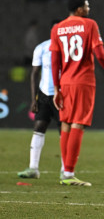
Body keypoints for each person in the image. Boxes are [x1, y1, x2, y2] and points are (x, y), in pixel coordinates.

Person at [50, 0, 104, 187]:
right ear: (79, 9)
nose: (89, 9)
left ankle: (65, 170)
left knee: (65, 124)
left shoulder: (57, 28)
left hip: (65, 82)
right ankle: (69, 173)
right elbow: (100, 53)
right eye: (86, 6)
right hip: (84, 82)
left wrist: (56, 87)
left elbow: (55, 61)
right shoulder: (90, 25)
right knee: (78, 123)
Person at [18, 20, 63, 179]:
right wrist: (34, 99)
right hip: (44, 94)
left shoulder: (68, 48)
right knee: (38, 127)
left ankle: (66, 170)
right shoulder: (42, 48)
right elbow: (34, 74)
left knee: (63, 132)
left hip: (62, 94)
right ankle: (33, 169)